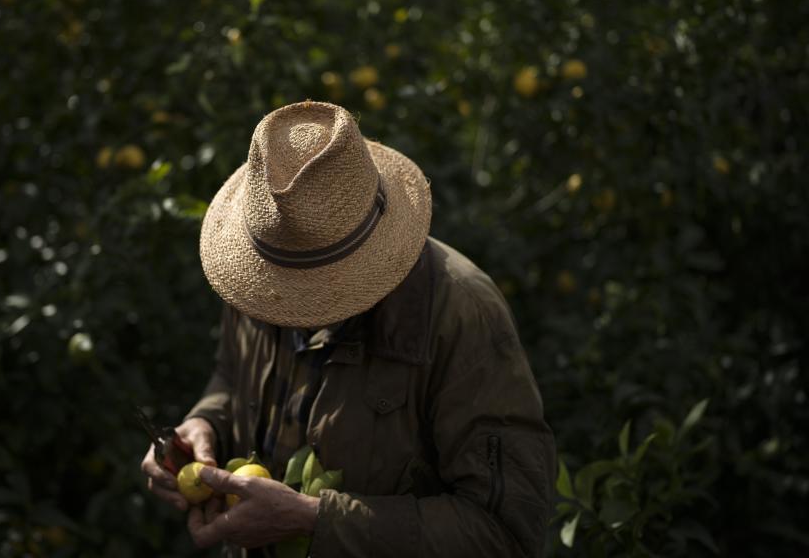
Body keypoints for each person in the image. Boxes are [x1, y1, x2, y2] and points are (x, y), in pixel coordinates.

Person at [141, 101, 556, 557]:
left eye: (312, 288)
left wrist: (314, 519)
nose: (287, 304)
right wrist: (205, 424)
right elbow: (231, 374)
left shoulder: (460, 313)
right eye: (283, 285)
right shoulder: (258, 275)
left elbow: (506, 535)